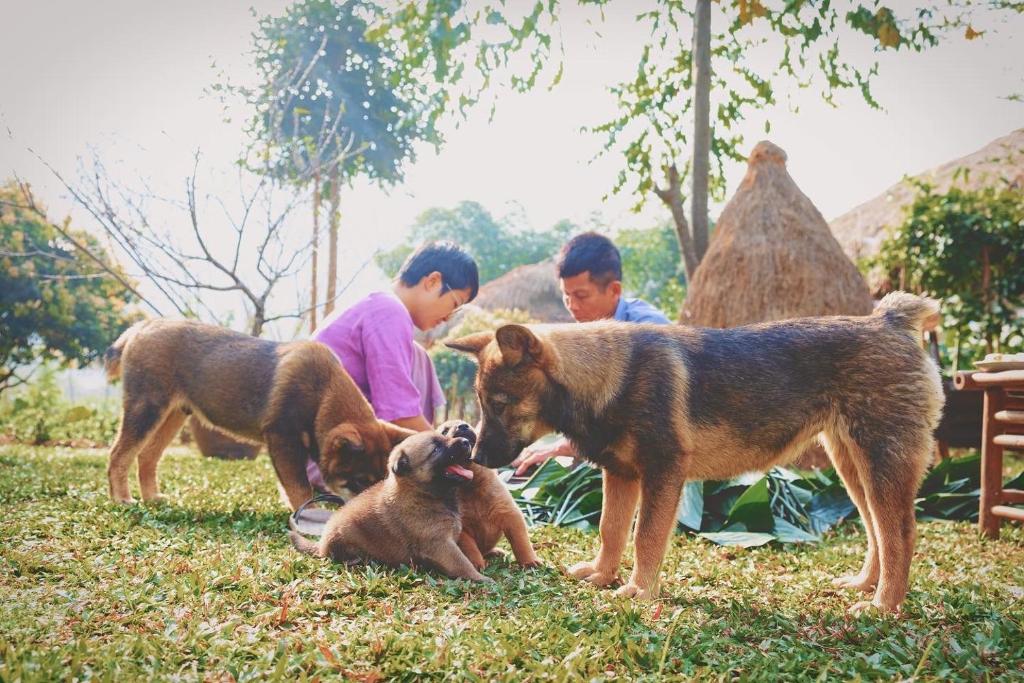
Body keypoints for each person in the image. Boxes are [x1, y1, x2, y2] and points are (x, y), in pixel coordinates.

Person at [307, 241, 479, 490]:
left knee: (419, 354)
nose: (447, 318)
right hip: (336, 462)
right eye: (454, 304)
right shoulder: (389, 311)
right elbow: (400, 415)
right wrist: (447, 454)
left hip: (333, 449)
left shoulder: (379, 305)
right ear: (432, 281)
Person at [511, 231, 670, 475]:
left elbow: (643, 429)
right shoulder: (584, 337)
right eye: (566, 296)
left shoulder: (649, 334)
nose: (572, 306)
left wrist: (560, 448)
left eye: (581, 296)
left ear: (614, 290)